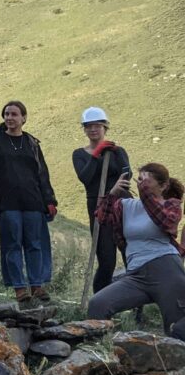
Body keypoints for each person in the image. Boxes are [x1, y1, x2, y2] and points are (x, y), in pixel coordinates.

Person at [89, 163, 185, 339]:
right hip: (136, 274)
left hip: (166, 270)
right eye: (140, 180)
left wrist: (146, 194)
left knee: (175, 330)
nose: (142, 185)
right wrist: (112, 194)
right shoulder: (126, 206)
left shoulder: (171, 205)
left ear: (163, 186)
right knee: (98, 304)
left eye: (147, 182)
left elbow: (165, 222)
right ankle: (102, 357)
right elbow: (101, 217)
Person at [0, 100, 58, 304]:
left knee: (35, 244)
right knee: (11, 244)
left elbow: (42, 173)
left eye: (14, 114)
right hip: (7, 203)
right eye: (6, 114)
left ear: (24, 118)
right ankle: (19, 288)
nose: (10, 118)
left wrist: (49, 199)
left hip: (33, 201)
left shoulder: (31, 143)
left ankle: (37, 285)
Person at [73, 106, 132, 292]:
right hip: (98, 206)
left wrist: (116, 188)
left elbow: (127, 173)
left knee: (130, 255)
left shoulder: (117, 150)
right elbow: (85, 178)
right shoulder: (79, 155)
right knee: (106, 260)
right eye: (89, 126)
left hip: (122, 204)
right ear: (84, 129)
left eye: (97, 126)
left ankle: (137, 307)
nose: (93, 129)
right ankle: (100, 306)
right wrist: (96, 153)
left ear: (105, 127)